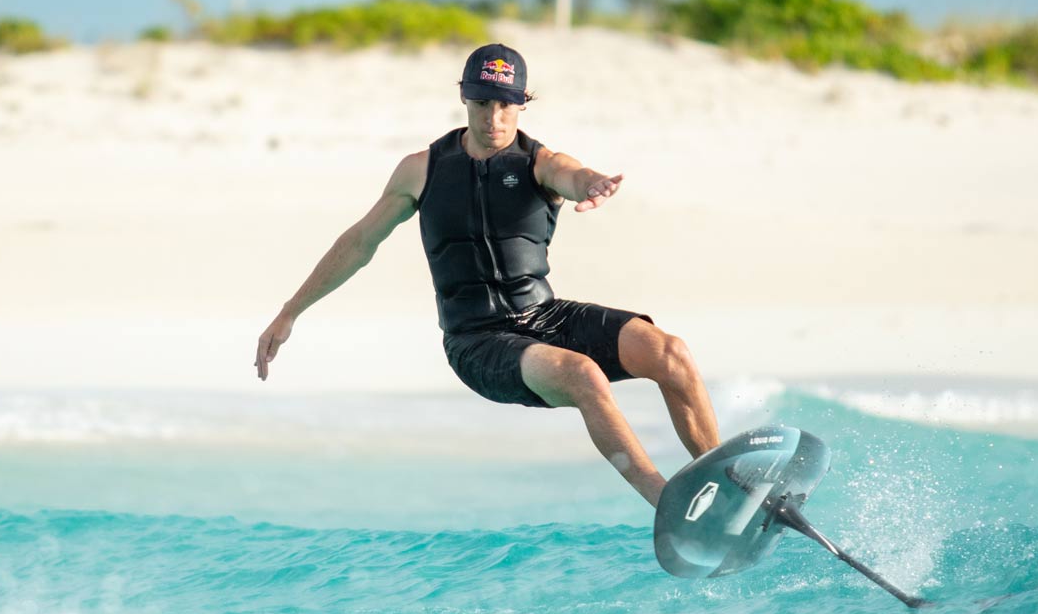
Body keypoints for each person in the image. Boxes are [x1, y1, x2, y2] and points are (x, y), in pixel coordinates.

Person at [254, 43, 721, 507]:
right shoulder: (423, 169)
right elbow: (358, 243)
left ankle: (726, 482)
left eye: (504, 105)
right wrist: (289, 312)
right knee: (583, 375)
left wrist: (593, 183)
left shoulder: (540, 162)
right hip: (476, 341)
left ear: (521, 104)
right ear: (465, 98)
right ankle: (668, 503)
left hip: (545, 316)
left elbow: (573, 174)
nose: (492, 118)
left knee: (670, 351)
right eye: (482, 103)